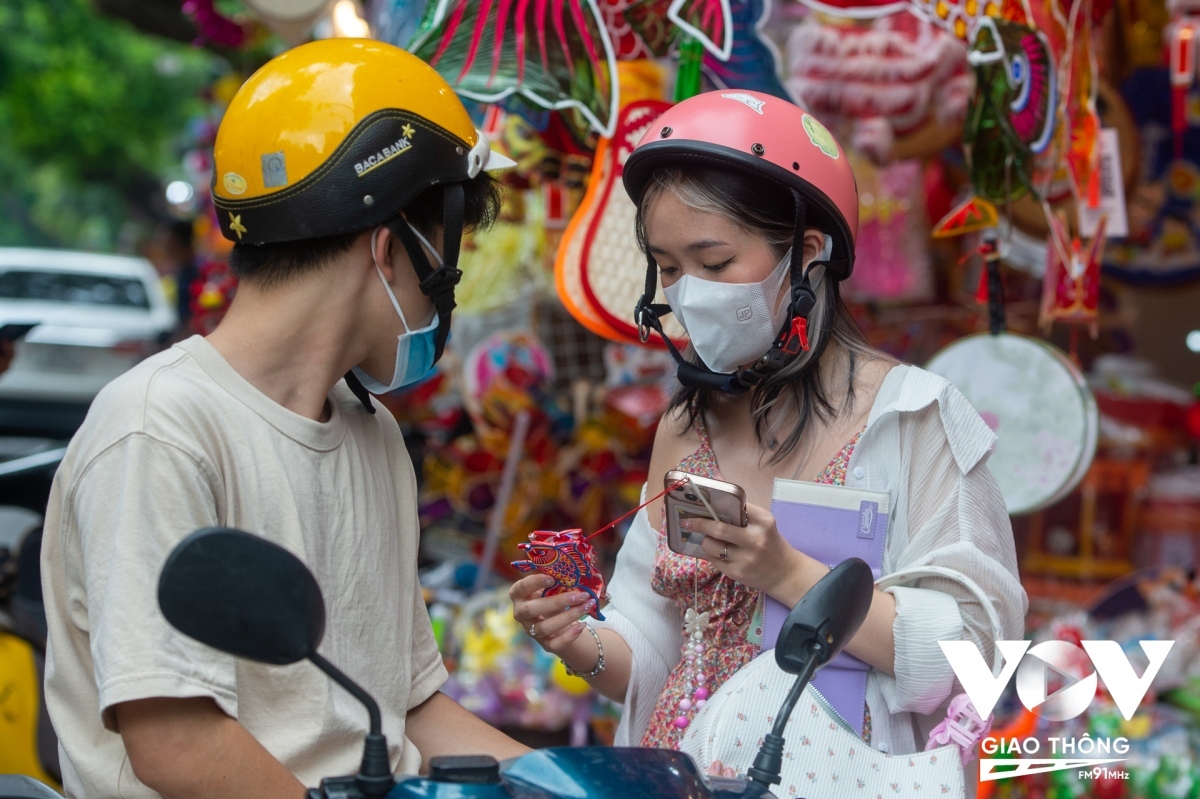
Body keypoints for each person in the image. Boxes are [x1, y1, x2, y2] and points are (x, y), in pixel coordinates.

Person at [42, 39, 528, 799]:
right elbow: (175, 741)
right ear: (386, 248)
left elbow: (409, 706)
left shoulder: (375, 436)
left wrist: (569, 784)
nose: (447, 283)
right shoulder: (160, 426)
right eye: (447, 249)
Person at [510, 91, 1026, 772]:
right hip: (682, 773)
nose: (689, 293)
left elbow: (973, 655)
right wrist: (576, 639)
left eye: (715, 262)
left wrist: (786, 573)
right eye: (668, 268)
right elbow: (660, 654)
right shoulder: (683, 427)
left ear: (808, 253)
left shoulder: (912, 417)